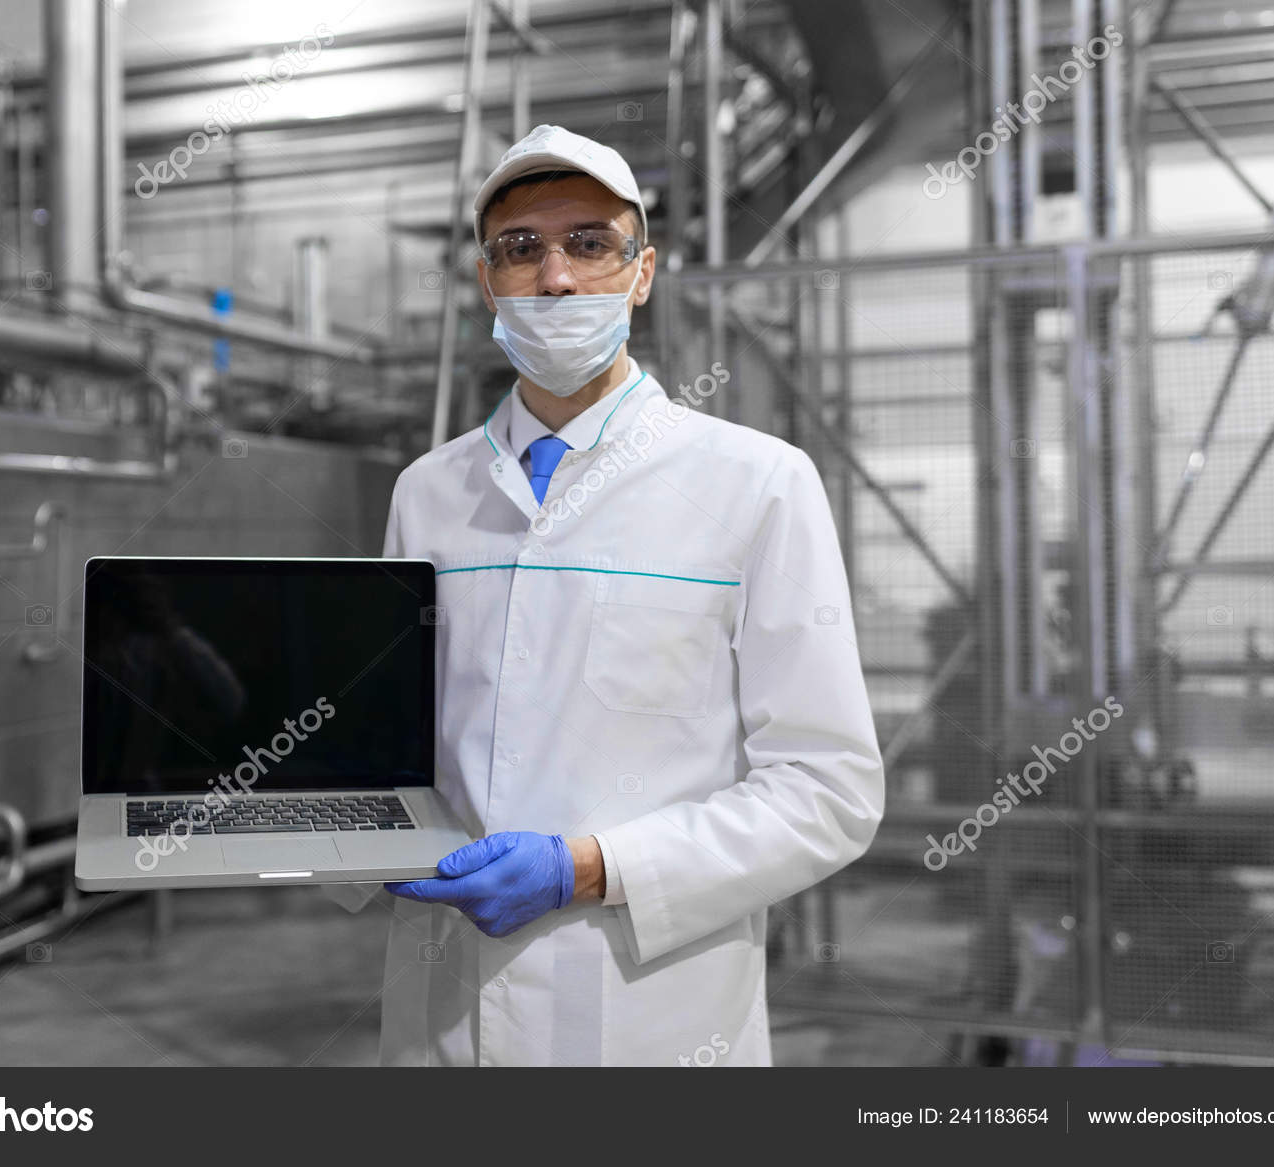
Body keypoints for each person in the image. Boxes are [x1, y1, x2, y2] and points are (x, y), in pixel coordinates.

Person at [338, 124, 884, 1066]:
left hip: (651, 1018)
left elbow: (828, 790)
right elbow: (403, 741)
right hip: (441, 1011)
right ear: (487, 282)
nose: (554, 279)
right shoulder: (428, 492)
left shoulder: (756, 482)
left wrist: (590, 870)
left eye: (589, 243)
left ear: (642, 273)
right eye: (522, 249)